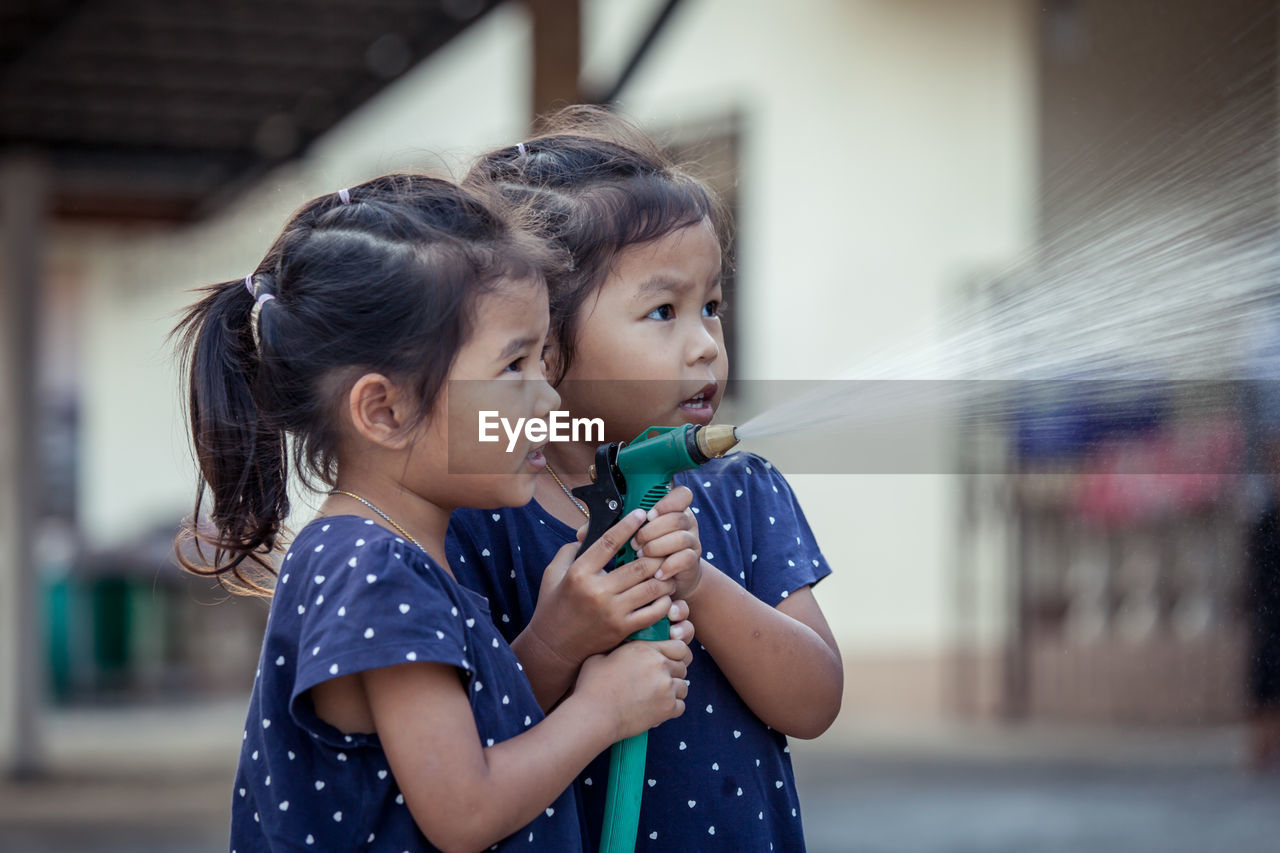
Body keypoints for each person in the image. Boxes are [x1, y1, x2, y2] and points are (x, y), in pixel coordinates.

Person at [173, 173, 693, 852]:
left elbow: (463, 737)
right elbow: (464, 808)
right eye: (513, 367)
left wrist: (560, 639)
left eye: (544, 359)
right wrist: (602, 710)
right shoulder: (372, 566)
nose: (550, 400)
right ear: (384, 410)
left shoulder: (393, 553)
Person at [447, 108, 843, 851]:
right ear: (545, 342)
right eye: (664, 311)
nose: (705, 347)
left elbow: (816, 698)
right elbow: (463, 752)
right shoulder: (479, 511)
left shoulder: (741, 488)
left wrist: (699, 583)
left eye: (713, 307)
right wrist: (558, 642)